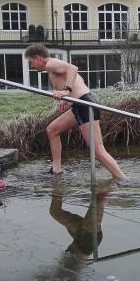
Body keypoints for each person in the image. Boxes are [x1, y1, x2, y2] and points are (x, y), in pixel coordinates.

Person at [24, 43, 127, 179]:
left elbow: (73, 68)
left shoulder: (50, 64)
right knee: (52, 130)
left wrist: (66, 91)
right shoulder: (53, 67)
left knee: (97, 151)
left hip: (85, 106)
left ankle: (123, 180)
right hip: (81, 104)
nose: (31, 66)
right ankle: (56, 170)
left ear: (38, 58)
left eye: (31, 62)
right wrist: (69, 99)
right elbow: (80, 80)